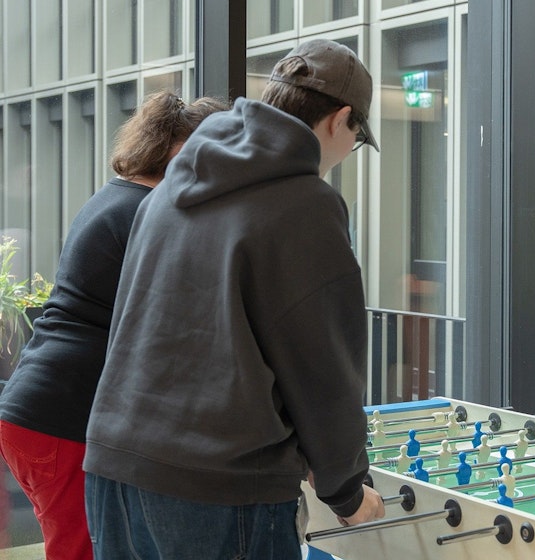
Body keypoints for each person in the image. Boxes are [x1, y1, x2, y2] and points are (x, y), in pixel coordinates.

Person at [82, 39, 386, 558]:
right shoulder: (307, 203)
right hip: (221, 490)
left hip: (115, 466)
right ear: (340, 120)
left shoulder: (170, 186)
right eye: (357, 137)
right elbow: (322, 363)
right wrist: (346, 489)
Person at [0, 91, 229, 560]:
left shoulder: (116, 197)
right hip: (63, 417)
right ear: (184, 153)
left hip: (40, 409)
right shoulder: (144, 213)